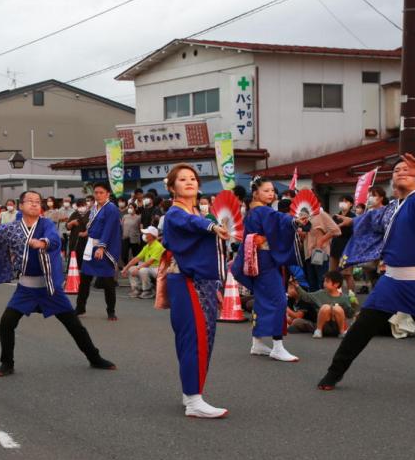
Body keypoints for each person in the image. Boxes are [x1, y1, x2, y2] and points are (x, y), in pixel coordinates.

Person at [319, 154, 415, 393]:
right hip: (392, 281)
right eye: (397, 170)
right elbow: (368, 220)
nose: (401, 171)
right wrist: (341, 225)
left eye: (407, 169)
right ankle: (333, 373)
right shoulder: (392, 209)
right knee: (361, 329)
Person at [0, 190, 115, 377]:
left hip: (49, 287)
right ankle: (7, 363)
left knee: (73, 324)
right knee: (7, 322)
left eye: (38, 201)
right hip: (25, 288)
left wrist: (43, 243)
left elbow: (53, 239)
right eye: (30, 201)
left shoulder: (46, 224)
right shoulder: (12, 228)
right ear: (21, 206)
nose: (35, 204)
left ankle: (95, 357)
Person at [158, 164, 231, 418]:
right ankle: (193, 400)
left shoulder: (200, 213)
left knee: (203, 338)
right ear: (172, 187)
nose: (189, 182)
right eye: (182, 179)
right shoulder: (176, 214)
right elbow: (188, 223)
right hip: (187, 281)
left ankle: (191, 392)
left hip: (204, 282)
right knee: (195, 339)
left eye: (192, 178)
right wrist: (211, 227)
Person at [231, 178, 302, 362]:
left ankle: (258, 342)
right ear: (256, 192)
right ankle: (277, 346)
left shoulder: (252, 211)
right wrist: (294, 222)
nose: (271, 193)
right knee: (279, 300)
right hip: (264, 261)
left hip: (257, 260)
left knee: (263, 299)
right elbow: (280, 220)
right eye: (266, 190)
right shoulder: (263, 210)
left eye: (272, 190)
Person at [74, 181, 121, 320]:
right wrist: (86, 233)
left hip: (104, 248)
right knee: (85, 279)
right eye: (96, 192)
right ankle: (80, 308)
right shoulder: (94, 207)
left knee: (107, 281)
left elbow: (108, 229)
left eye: (101, 192)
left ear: (108, 194)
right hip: (91, 246)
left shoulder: (111, 209)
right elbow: (93, 225)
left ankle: (111, 311)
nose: (98, 195)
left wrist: (101, 247)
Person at [299, 270, 358, 338]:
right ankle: (319, 330)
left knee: (337, 308)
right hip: (324, 326)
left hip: (337, 327)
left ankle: (342, 332)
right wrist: (297, 286)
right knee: (326, 307)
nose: (324, 284)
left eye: (327, 281)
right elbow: (306, 296)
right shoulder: (320, 293)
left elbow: (350, 315)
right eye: (324, 281)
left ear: (336, 284)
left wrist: (354, 305)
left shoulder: (345, 298)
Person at [303, 204, 341, 290]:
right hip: (308, 253)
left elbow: (336, 230)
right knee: (311, 282)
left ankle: (324, 302)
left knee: (322, 281)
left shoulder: (321, 214)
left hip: (320, 252)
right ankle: (314, 303)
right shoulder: (304, 215)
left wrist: (322, 240)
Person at [121, 225, 164, 299]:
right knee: (131, 269)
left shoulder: (158, 246)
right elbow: (136, 258)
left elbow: (150, 262)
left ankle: (148, 291)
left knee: (142, 270)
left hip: (158, 269)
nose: (144, 235)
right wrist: (125, 268)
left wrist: (138, 268)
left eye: (146, 234)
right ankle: (137, 289)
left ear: (152, 235)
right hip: (150, 268)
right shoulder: (147, 246)